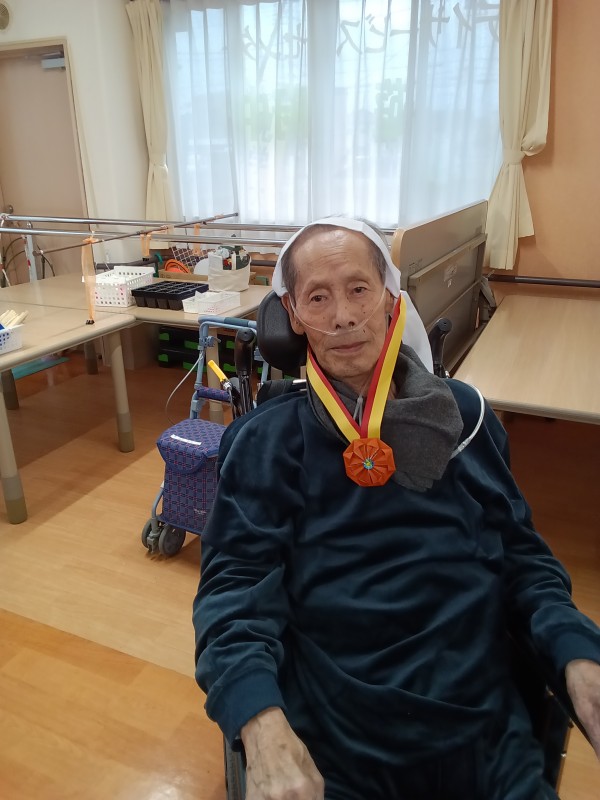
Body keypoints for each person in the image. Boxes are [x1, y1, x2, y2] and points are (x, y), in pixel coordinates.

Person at [193, 218, 600, 800]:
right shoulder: (265, 442)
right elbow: (233, 591)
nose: (343, 317)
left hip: (481, 731)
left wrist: (579, 655)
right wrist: (259, 722)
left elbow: (523, 559)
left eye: (359, 289)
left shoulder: (463, 417)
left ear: (390, 297)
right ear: (292, 316)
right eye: (317, 298)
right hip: (340, 737)